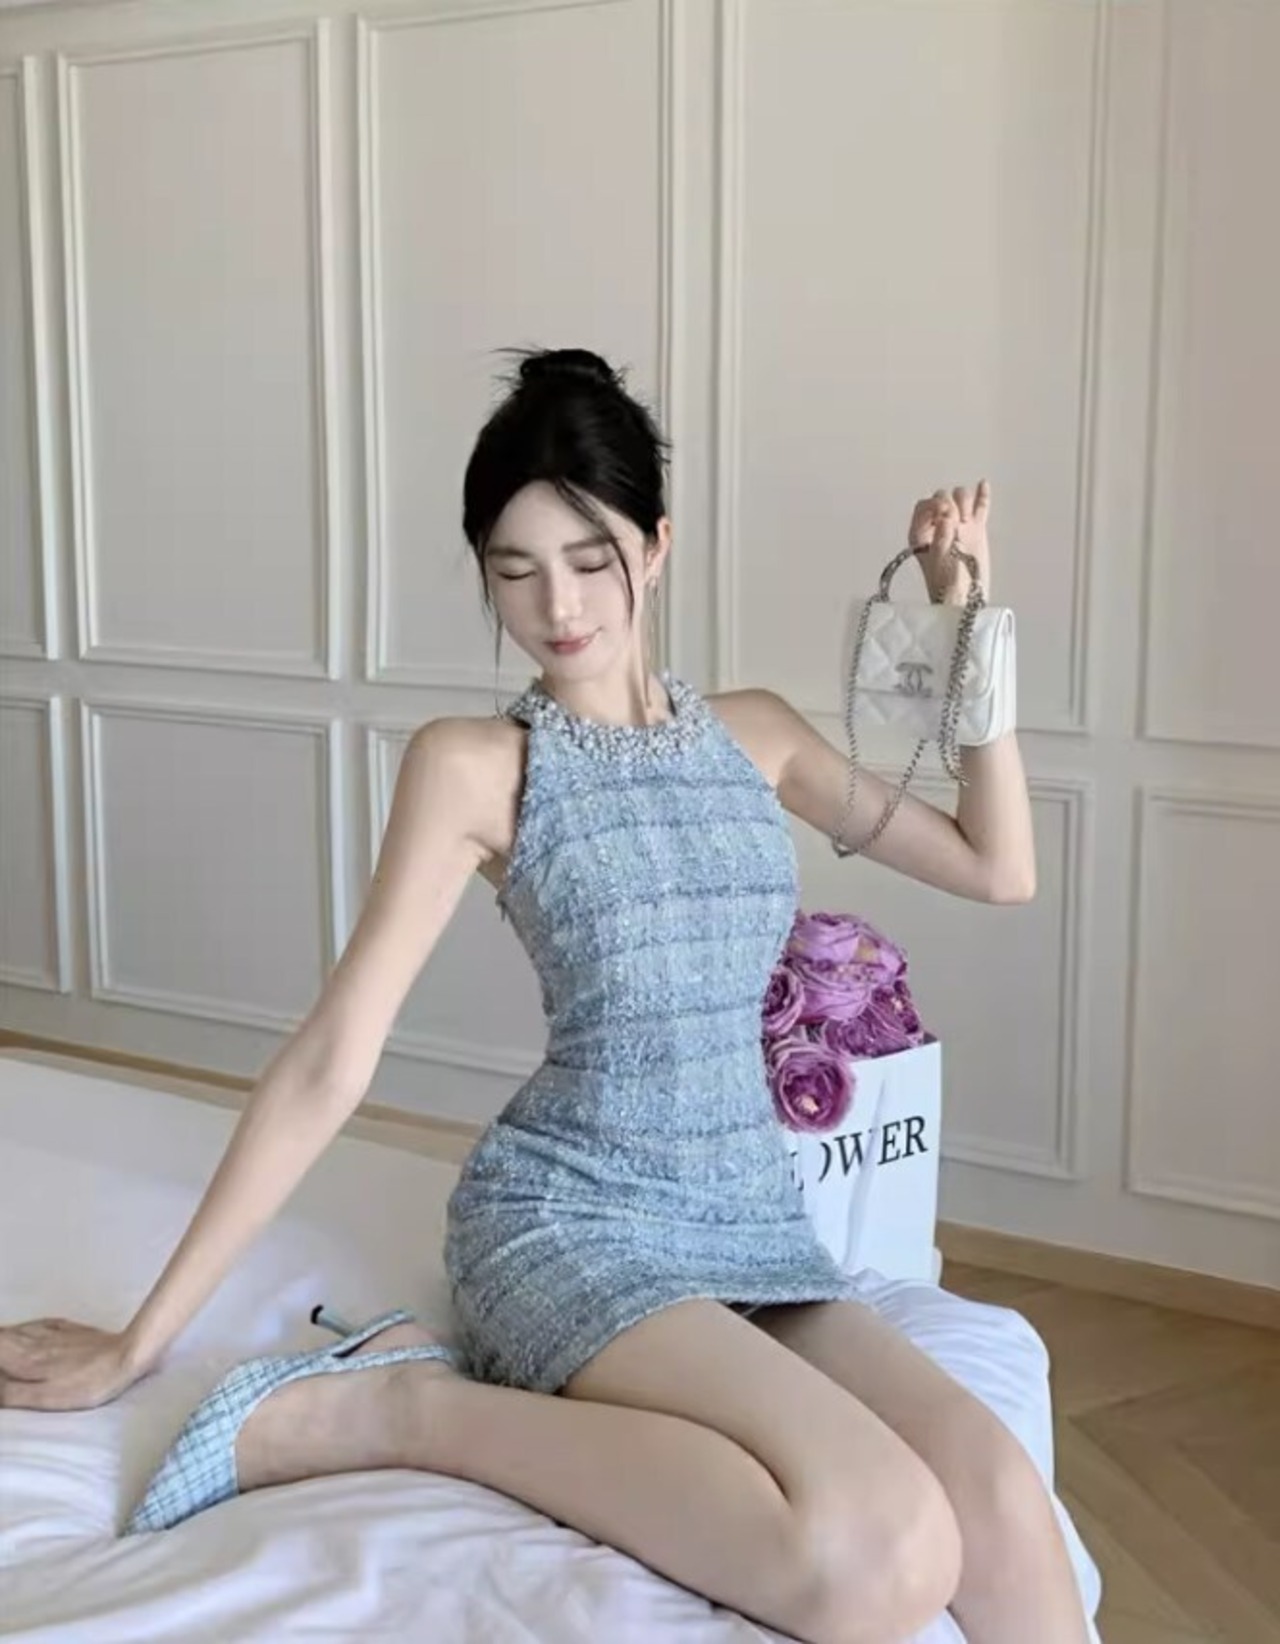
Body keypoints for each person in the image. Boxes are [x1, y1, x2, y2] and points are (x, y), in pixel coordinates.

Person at [0, 349, 1089, 1644]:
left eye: (589, 559)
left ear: (657, 547)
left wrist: (967, 623)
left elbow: (998, 866)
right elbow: (333, 1057)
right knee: (882, 1555)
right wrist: (141, 1342)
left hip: (747, 1217)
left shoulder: (759, 738)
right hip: (569, 1222)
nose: (557, 607)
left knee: (999, 1504)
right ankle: (406, 1407)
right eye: (514, 571)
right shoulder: (475, 767)